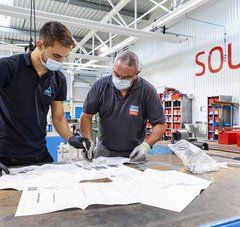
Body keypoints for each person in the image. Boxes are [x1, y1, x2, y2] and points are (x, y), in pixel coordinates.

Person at [0, 21, 92, 167]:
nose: (60, 61)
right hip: (6, 156)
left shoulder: (58, 79)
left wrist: (70, 138)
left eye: (64, 57)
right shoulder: (7, 67)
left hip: (39, 153)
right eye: (56, 55)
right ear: (40, 45)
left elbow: (58, 117)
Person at [80, 51, 166, 162]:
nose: (120, 79)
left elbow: (160, 124)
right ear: (113, 67)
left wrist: (146, 146)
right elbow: (86, 116)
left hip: (134, 152)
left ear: (136, 74)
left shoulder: (147, 91)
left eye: (126, 77)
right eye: (116, 74)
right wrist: (89, 142)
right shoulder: (100, 86)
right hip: (104, 150)